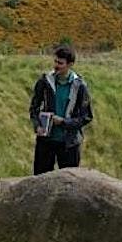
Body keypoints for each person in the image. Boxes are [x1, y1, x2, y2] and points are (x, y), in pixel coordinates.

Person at [28, 45, 93, 175]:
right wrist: (37, 126)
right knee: (40, 180)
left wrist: (64, 122)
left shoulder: (80, 86)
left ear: (70, 64)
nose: (56, 65)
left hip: (69, 143)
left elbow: (86, 117)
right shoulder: (44, 81)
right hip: (46, 141)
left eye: (60, 63)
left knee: (70, 182)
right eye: (55, 61)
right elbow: (33, 108)